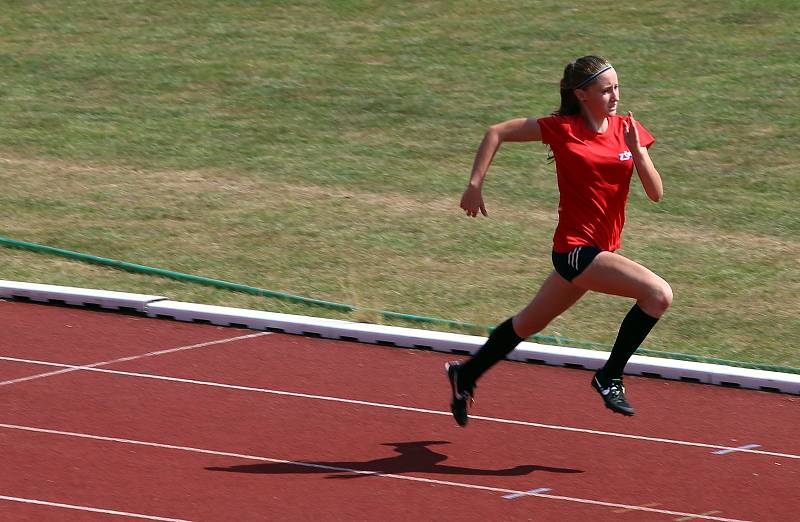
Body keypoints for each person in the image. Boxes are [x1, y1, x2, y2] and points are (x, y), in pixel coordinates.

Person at [446, 55, 672, 426]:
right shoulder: (562, 129)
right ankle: (609, 376)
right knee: (658, 294)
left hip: (600, 250)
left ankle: (466, 374)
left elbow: (656, 193)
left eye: (617, 87)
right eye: (605, 90)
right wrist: (474, 184)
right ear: (582, 95)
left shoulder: (628, 129)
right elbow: (496, 131)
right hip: (575, 251)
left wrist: (638, 151)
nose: (614, 96)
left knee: (528, 323)